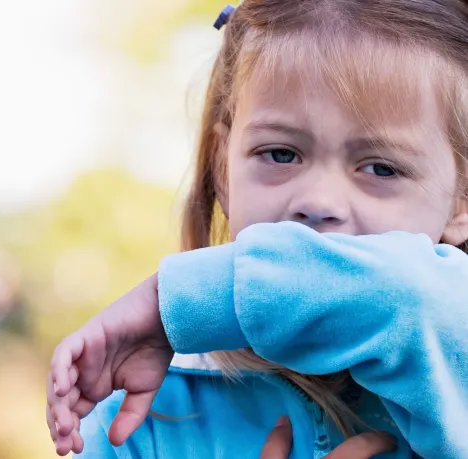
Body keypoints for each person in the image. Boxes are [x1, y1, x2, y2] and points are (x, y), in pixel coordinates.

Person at [47, 0, 468, 457]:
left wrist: (178, 301)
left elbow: (417, 295)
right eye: (281, 154)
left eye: (381, 168)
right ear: (223, 169)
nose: (318, 201)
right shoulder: (143, 416)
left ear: (462, 200)